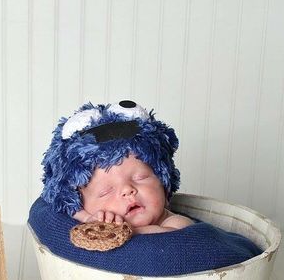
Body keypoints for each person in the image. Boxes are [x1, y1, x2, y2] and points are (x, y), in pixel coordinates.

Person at [41, 100, 194, 234]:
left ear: (164, 185)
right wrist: (88, 218)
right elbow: (68, 206)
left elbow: (174, 239)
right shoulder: (88, 212)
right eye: (105, 191)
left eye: (141, 177)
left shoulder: (174, 223)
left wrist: (126, 231)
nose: (128, 190)